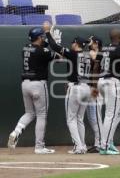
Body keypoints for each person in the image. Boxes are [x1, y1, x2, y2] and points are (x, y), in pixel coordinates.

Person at [43, 22, 96, 154]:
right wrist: (89, 44)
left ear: (76, 44)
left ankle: (78, 147)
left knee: (71, 119)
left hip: (76, 88)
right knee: (79, 119)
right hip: (86, 88)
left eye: (73, 42)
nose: (72, 44)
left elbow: (54, 46)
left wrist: (47, 32)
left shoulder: (73, 54)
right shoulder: (89, 55)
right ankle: (82, 145)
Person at [8, 27, 59, 154]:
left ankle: (16, 132)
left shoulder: (25, 47)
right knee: (41, 115)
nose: (44, 38)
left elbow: (41, 47)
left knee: (29, 113)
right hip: (38, 85)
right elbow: (58, 56)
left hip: (25, 84)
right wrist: (55, 41)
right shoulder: (43, 51)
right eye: (42, 37)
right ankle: (39, 146)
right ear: (39, 37)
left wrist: (48, 40)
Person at [86, 36, 103, 153]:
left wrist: (94, 87)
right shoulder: (93, 53)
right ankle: (99, 142)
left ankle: (100, 143)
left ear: (96, 43)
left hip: (97, 88)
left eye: (91, 42)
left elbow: (94, 56)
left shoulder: (98, 54)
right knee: (93, 118)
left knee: (95, 117)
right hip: (91, 87)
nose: (89, 44)